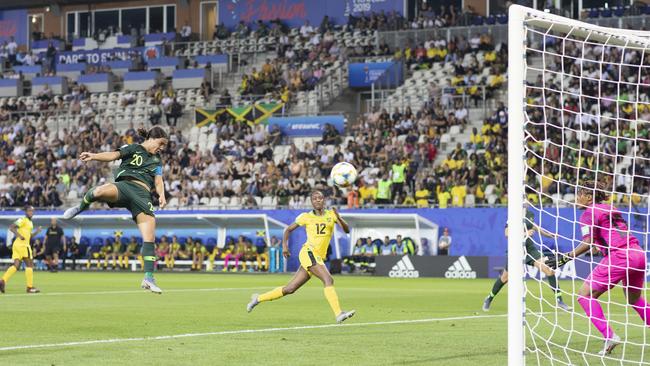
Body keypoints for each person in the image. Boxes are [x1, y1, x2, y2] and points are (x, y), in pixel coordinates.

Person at [62, 126, 168, 294]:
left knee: (149, 237)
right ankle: (80, 207)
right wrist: (94, 156)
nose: (162, 148)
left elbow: (158, 181)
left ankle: (148, 278)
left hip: (143, 196)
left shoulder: (157, 160)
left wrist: (161, 195)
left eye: (164, 146)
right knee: (98, 191)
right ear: (152, 138)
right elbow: (113, 155)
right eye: (161, 143)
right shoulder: (133, 148)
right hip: (125, 186)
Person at [548, 181, 649, 355]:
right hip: (638, 253)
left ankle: (609, 336)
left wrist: (566, 257)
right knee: (634, 299)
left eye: (579, 194)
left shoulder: (588, 213)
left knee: (584, 295)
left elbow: (587, 242)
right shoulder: (611, 208)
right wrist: (599, 245)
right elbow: (610, 233)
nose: (576, 198)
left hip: (619, 256)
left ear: (588, 197)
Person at [247, 191, 356, 323]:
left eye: (320, 198)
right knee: (328, 280)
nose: (317, 200)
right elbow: (287, 229)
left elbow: (347, 230)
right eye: (314, 199)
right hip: (308, 252)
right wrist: (285, 246)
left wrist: (339, 217)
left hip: (317, 257)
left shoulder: (331, 214)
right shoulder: (305, 216)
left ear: (324, 200)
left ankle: (257, 299)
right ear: (311, 202)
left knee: (290, 289)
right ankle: (339, 313)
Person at [482, 206, 571, 312]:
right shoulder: (513, 215)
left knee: (548, 269)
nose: (524, 203)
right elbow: (507, 234)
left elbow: (535, 227)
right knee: (505, 278)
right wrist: (525, 234)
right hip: (515, 250)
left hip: (530, 249)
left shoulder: (529, 214)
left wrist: (548, 235)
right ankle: (489, 298)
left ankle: (560, 300)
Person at [0, 206, 42, 293]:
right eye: (29, 211)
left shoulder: (30, 223)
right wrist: (19, 236)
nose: (31, 212)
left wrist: (37, 232)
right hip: (23, 245)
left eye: (32, 211)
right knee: (29, 264)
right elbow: (12, 227)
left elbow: (29, 236)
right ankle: (29, 287)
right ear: (26, 212)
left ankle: (3, 281)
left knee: (16, 265)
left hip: (18, 245)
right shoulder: (22, 219)